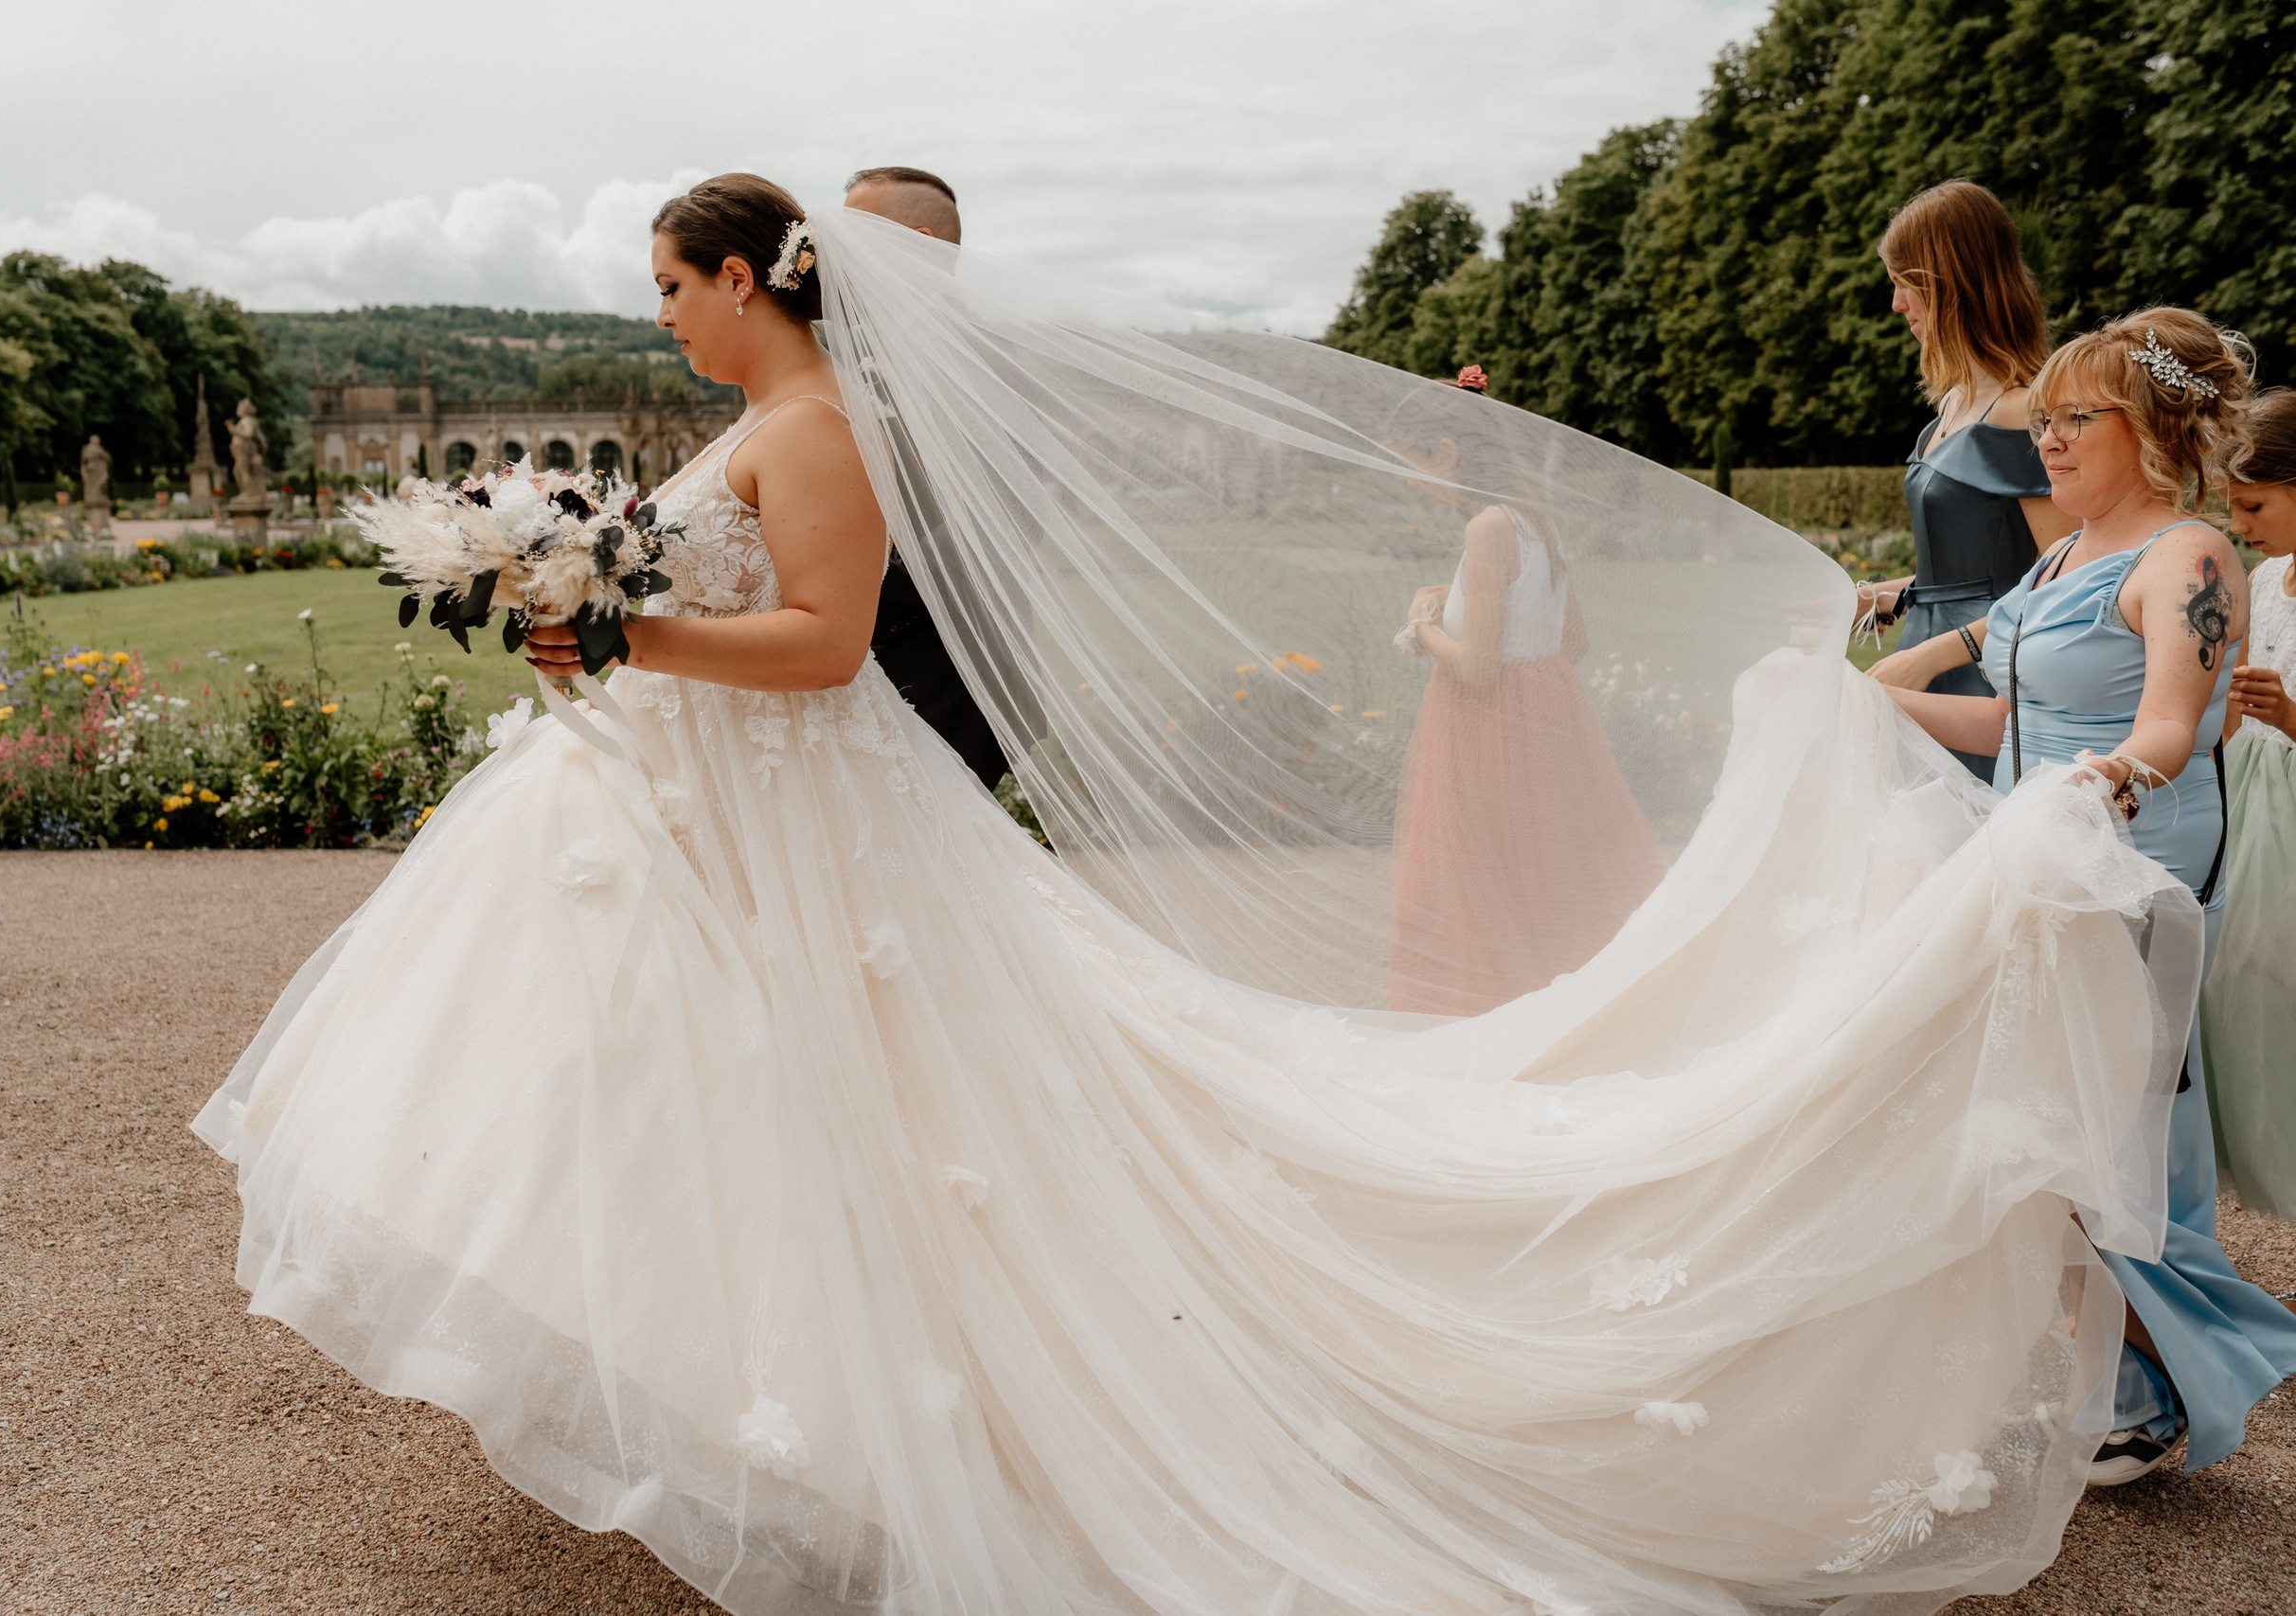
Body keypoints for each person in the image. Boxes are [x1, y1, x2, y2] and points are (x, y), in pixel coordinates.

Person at [199, 179, 2216, 1614]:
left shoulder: (810, 432)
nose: (658, 314)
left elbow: (820, 648)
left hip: (798, 803)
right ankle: (764, 1386)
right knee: (739, 1082)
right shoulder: (760, 417)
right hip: (716, 810)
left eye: (671, 283)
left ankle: (877, 1409)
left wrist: (615, 626)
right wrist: (586, 607)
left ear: (748, 279)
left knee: (893, 1098)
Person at [1882, 307, 2296, 1485]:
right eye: (2044, 419)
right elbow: (2000, 720)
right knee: (2033, 1126)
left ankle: (2173, 1379)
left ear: (2153, 428)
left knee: (2106, 1133)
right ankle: (2135, 1383)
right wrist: (1867, 696)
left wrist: (2103, 782)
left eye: (2076, 419)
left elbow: (2167, 725)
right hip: (2029, 855)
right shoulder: (2058, 559)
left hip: (2127, 865)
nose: (2047, 440)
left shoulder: (2190, 556)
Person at [1387, 378, 1664, 1012]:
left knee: (1480, 889)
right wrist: (1459, 599)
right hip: (1547, 722)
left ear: (1449, 451)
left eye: (1413, 464)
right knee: (1540, 881)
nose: (1412, 483)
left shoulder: (1486, 527)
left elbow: (1478, 667)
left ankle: (1483, 1017)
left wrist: (1422, 628)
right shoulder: (1534, 518)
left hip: (1483, 730)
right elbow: (1572, 639)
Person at [1857, 181, 2073, 779]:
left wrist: (1934, 656)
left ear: (1952, 284)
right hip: (1922, 661)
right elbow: (1965, 573)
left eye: (1906, 283)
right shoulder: (1952, 404)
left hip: (1985, 676)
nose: (1897, 303)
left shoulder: (2024, 410)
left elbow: (2067, 578)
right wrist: (1874, 597)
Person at [837, 165, 1013, 791]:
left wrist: (851, 606)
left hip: (947, 671)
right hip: (863, 662)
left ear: (920, 244)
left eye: (857, 233)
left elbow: (1004, 519)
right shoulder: (854, 350)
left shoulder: (986, 359)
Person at [2204, 387, 2296, 1219]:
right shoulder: (2264, 582)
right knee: (2248, 984)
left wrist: (2291, 716)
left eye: (2255, 505)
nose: (2238, 524)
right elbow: (2232, 710)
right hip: (2252, 805)